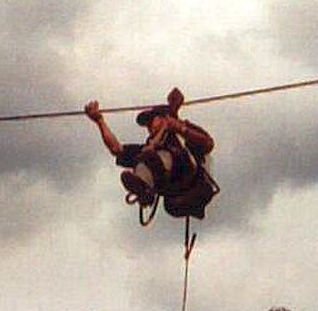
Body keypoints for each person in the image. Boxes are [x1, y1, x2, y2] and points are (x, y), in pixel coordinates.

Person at [83, 87, 218, 220]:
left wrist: (178, 126)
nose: (148, 126)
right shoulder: (149, 149)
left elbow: (208, 144)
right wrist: (99, 121)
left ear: (163, 118)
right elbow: (116, 149)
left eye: (151, 121)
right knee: (145, 157)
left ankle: (145, 186)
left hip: (192, 180)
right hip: (174, 197)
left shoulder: (179, 132)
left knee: (152, 156)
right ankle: (144, 188)